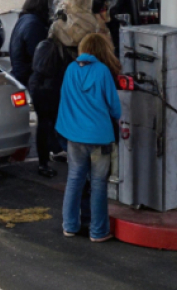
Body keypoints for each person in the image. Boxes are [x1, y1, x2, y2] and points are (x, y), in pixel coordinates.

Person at [29, 0, 101, 178]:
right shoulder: (89, 24)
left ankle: (45, 161)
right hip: (62, 79)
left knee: (45, 122)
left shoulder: (59, 20)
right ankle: (73, 161)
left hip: (43, 78)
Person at [56, 33, 122, 243]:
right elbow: (115, 107)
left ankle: (69, 226)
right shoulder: (103, 71)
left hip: (74, 135)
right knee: (98, 183)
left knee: (74, 179)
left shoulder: (70, 69)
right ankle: (98, 231)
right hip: (99, 137)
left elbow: (65, 99)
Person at [9, 0, 55, 87]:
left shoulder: (25, 19)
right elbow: (39, 56)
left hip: (20, 73)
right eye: (50, 7)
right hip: (27, 77)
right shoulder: (34, 25)